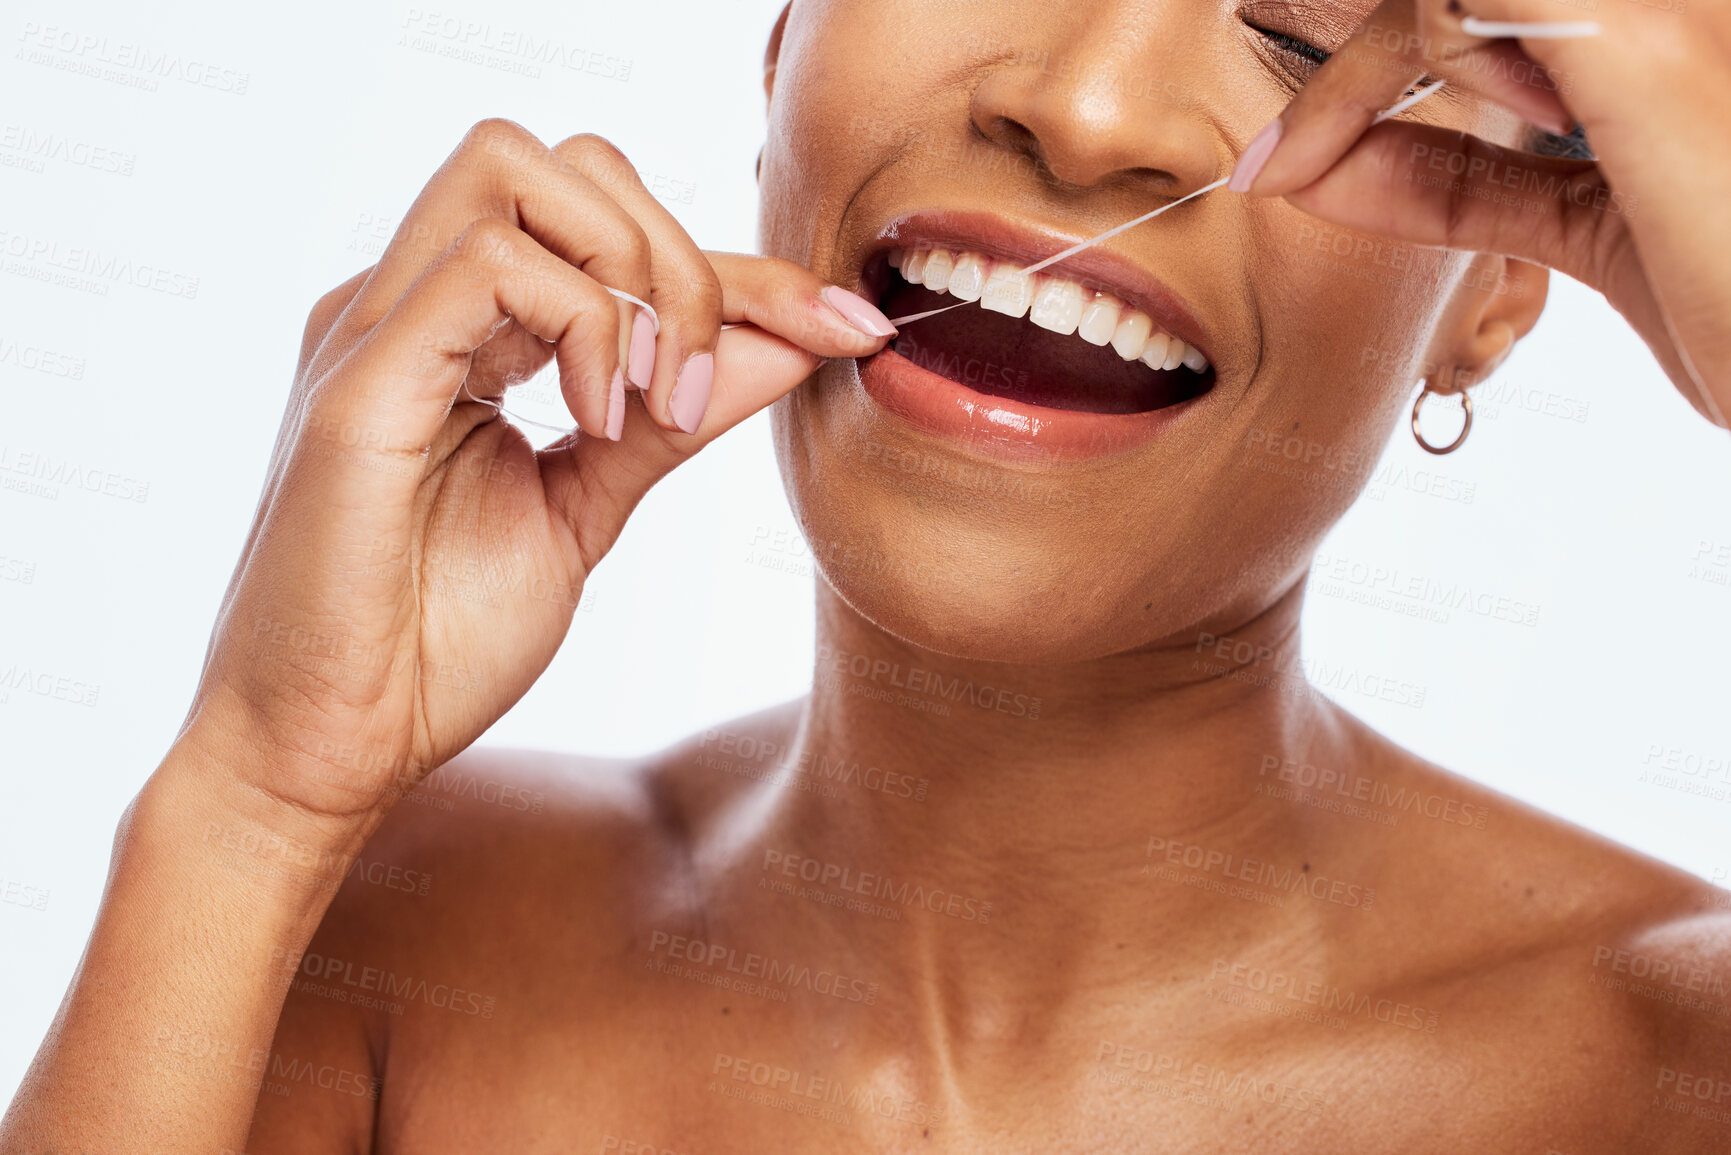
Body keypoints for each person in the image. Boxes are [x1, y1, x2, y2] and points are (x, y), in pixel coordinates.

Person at [5, 0, 1729, 1150]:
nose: (1085, 107)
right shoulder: (387, 937)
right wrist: (249, 806)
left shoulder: (1674, 1072)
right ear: (781, 51)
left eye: (1303, 27)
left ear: (1508, 284)